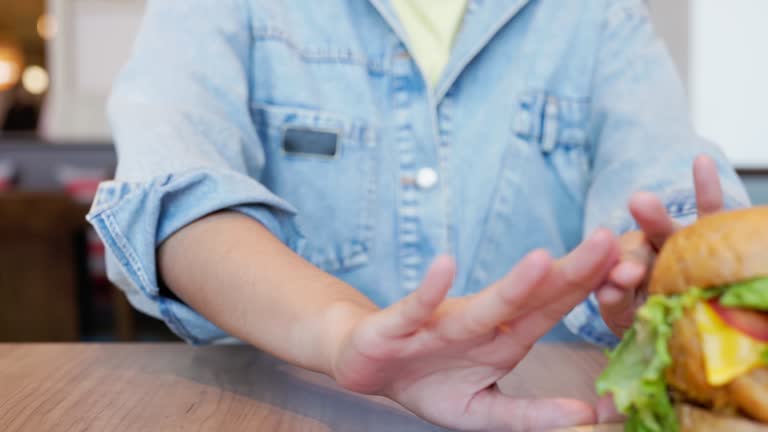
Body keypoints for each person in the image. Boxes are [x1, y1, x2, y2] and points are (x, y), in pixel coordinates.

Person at [87, 0, 751, 430]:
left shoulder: (599, 15)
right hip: (285, 414)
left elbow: (663, 172)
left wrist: (654, 268)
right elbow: (169, 200)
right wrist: (345, 333)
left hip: (550, 417)